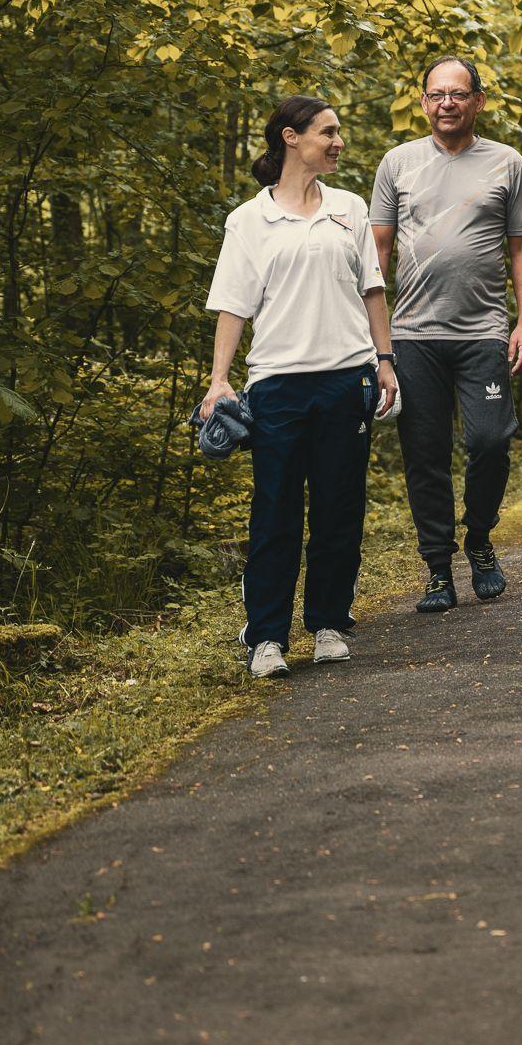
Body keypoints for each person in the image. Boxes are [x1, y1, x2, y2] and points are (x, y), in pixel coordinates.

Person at [203, 95, 400, 679]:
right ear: (290, 137)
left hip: (348, 378)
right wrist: (219, 381)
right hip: (278, 386)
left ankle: (329, 624)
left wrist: (384, 361)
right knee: (275, 515)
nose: (338, 142)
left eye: (338, 132)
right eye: (328, 132)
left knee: (340, 509)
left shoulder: (349, 207)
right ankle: (266, 636)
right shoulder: (248, 220)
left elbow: (372, 291)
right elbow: (233, 308)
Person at [371, 57, 522, 613]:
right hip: (414, 335)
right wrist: (374, 341)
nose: (448, 102)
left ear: (478, 101)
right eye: (438, 94)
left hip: (483, 331)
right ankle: (438, 568)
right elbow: (378, 251)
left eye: (459, 94)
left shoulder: (506, 163)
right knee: (425, 453)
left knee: (490, 441)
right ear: (423, 102)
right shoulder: (398, 163)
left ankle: (481, 539)